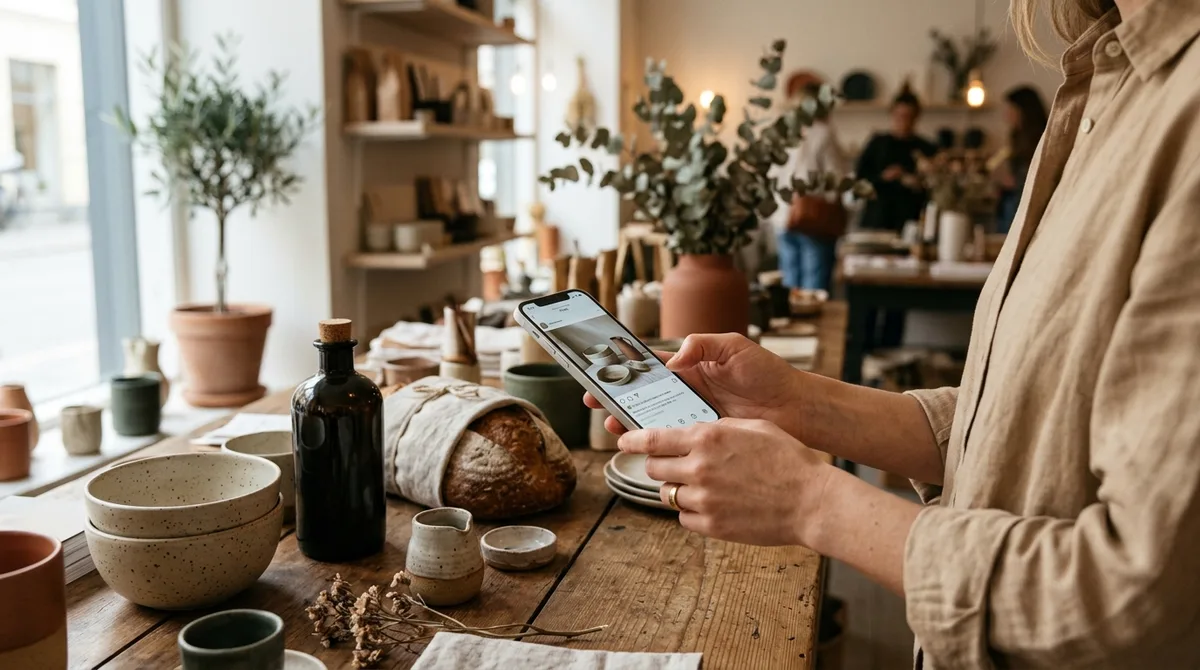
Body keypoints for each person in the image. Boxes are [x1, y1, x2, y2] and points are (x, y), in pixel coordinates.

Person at [587, 0, 1200, 666]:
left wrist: (811, 503)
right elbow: (1028, 424)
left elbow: (1135, 597)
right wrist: (797, 401)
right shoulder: (1113, 79)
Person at [774, 83, 850, 291]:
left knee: (790, 285)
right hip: (814, 217)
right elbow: (836, 179)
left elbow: (773, 174)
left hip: (783, 217)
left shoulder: (784, 133)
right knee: (814, 288)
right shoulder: (823, 133)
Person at [855, 87, 937, 233]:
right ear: (892, 114)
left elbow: (935, 189)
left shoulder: (926, 148)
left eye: (908, 117)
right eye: (900, 116)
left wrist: (918, 182)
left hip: (912, 222)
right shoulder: (877, 144)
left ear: (916, 117)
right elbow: (859, 181)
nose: (903, 121)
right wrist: (883, 177)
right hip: (877, 220)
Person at [993, 86, 1049, 233]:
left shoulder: (1042, 137)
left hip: (1027, 204)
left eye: (1011, 109)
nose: (1006, 115)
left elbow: (1043, 174)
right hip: (1013, 200)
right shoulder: (1016, 137)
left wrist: (1016, 181)